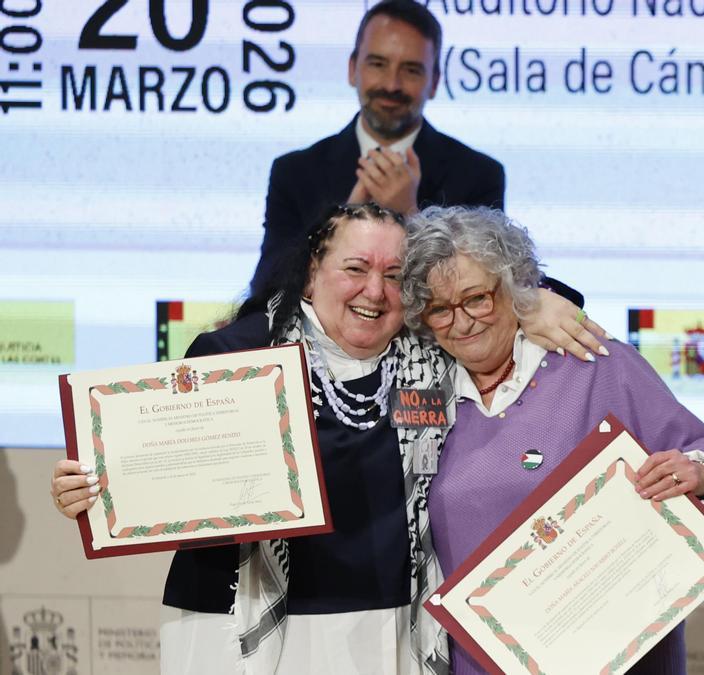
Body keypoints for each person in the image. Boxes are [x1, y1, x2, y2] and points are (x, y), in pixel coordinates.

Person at [50, 203, 607, 675]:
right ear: (312, 272)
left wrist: (536, 300)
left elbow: (494, 294)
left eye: (395, 275)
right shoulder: (236, 356)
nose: (375, 291)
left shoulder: (429, 353)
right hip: (240, 628)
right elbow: (156, 471)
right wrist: (93, 488)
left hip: (390, 629)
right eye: (355, 268)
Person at [401, 206, 704, 674]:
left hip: (618, 655)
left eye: (477, 298)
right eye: (440, 309)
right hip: (483, 661)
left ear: (517, 287)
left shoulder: (594, 364)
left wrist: (698, 473)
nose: (462, 323)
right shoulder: (425, 394)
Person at [249, 0, 504, 296]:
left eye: (411, 70)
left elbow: (482, 296)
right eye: (378, 64)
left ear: (434, 82)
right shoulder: (295, 173)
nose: (392, 84)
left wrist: (412, 218)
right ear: (352, 69)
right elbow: (266, 292)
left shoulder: (479, 176)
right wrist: (342, 228)